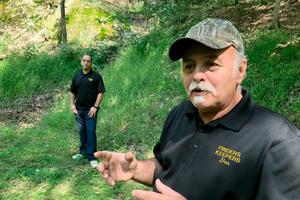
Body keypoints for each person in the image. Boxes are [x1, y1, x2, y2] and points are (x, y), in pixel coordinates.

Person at [94, 18, 300, 199]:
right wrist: (136, 168)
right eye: (189, 66)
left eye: (211, 64)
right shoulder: (180, 114)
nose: (197, 75)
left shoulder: (279, 143)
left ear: (241, 70)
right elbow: (166, 167)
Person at [70, 54, 105, 168]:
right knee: (82, 132)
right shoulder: (76, 77)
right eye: (84, 60)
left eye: (88, 61)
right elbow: (72, 92)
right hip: (79, 110)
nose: (86, 63)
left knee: (90, 131)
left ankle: (92, 156)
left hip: (90, 110)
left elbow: (101, 92)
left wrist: (95, 106)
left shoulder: (96, 77)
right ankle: (83, 152)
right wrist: (72, 105)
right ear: (81, 62)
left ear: (91, 63)